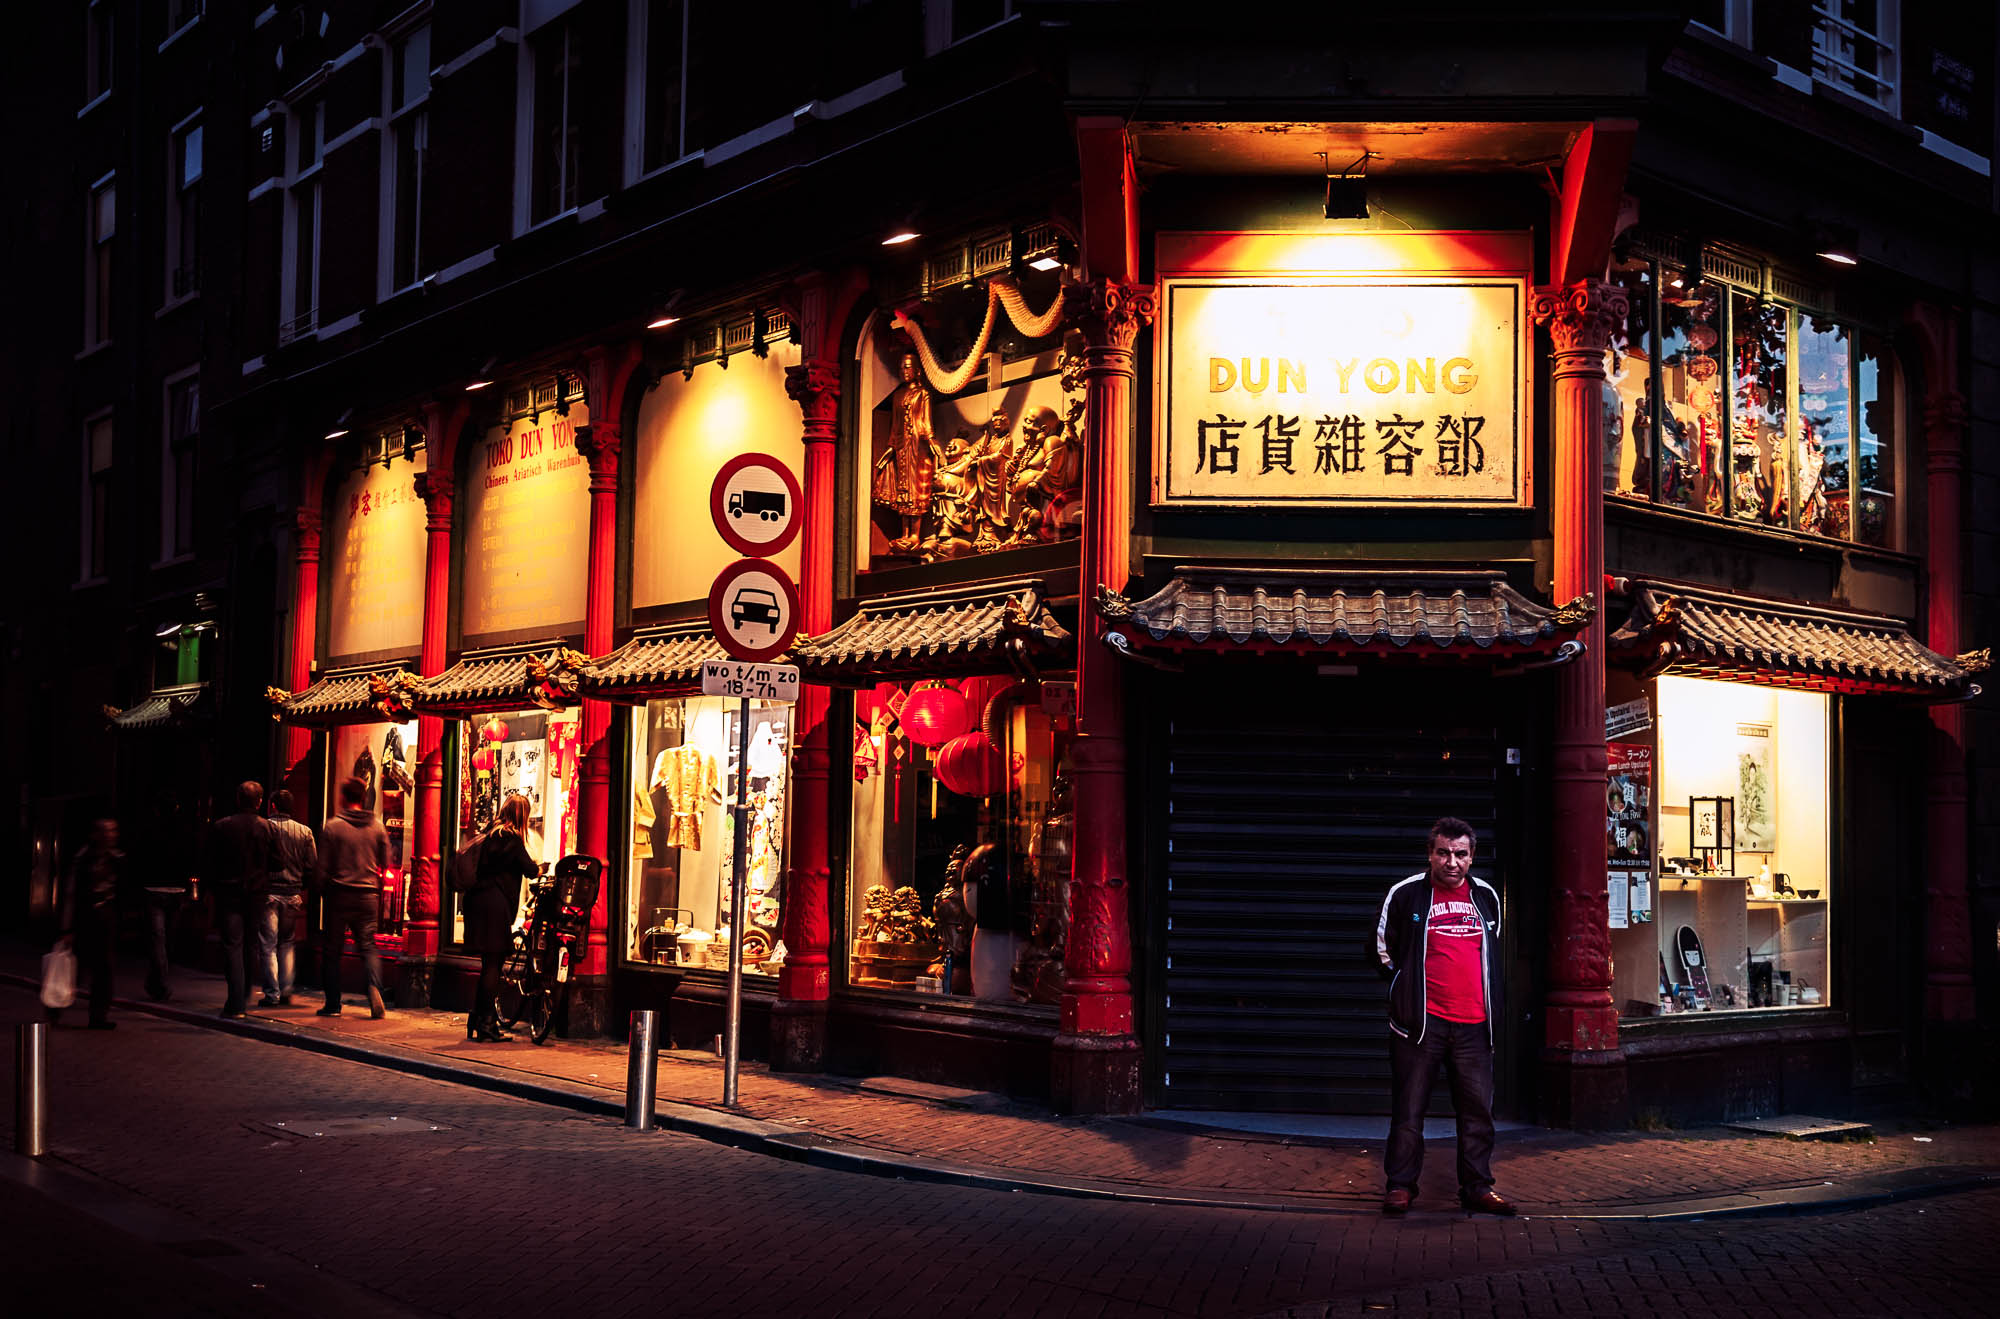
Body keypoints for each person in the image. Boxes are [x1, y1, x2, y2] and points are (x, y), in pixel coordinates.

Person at [1370, 816, 1513, 1217]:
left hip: (1473, 1027)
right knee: (1409, 1111)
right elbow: (1382, 950)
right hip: (1421, 1026)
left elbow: (1491, 949)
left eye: (1461, 854)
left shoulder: (1486, 897)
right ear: (1430, 855)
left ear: (1472, 858)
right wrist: (1406, 990)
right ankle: (1400, 1186)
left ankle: (1477, 1187)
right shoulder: (1406, 895)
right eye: (1444, 853)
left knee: (1477, 1113)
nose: (1452, 862)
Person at [464, 792, 538, 1042]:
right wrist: (541, 867)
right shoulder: (512, 839)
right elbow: (530, 869)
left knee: (488, 964)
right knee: (493, 966)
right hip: (494, 907)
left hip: (477, 902)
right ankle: (486, 1025)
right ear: (522, 816)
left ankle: (477, 1019)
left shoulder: (489, 833)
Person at [203, 781, 276, 1019]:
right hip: (256, 894)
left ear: (238, 799)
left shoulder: (222, 826)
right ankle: (243, 994)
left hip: (229, 892)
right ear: (259, 801)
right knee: (250, 945)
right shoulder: (267, 828)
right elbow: (279, 862)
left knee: (233, 944)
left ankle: (236, 1001)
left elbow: (210, 862)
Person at [317, 776, 388, 1019]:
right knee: (368, 946)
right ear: (363, 798)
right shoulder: (377, 826)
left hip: (339, 894)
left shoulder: (333, 826)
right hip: (368, 894)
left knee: (332, 950)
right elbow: (386, 862)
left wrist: (320, 889)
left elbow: (322, 866)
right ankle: (374, 989)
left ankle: (333, 1004)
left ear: (345, 798)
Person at [59, 818, 125, 1029]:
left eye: (113, 831)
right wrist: (67, 928)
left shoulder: (117, 858)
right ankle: (55, 1005)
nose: (110, 836)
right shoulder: (83, 858)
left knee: (104, 968)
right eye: (106, 832)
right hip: (84, 918)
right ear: (96, 834)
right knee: (76, 968)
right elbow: (71, 894)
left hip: (106, 918)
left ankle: (98, 1016)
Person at [260, 789, 316, 1007]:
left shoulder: (264, 827)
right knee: (287, 943)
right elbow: (311, 865)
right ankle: (286, 989)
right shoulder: (304, 832)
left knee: (268, 945)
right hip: (292, 893)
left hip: (269, 894)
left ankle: (271, 993)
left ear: (273, 806)